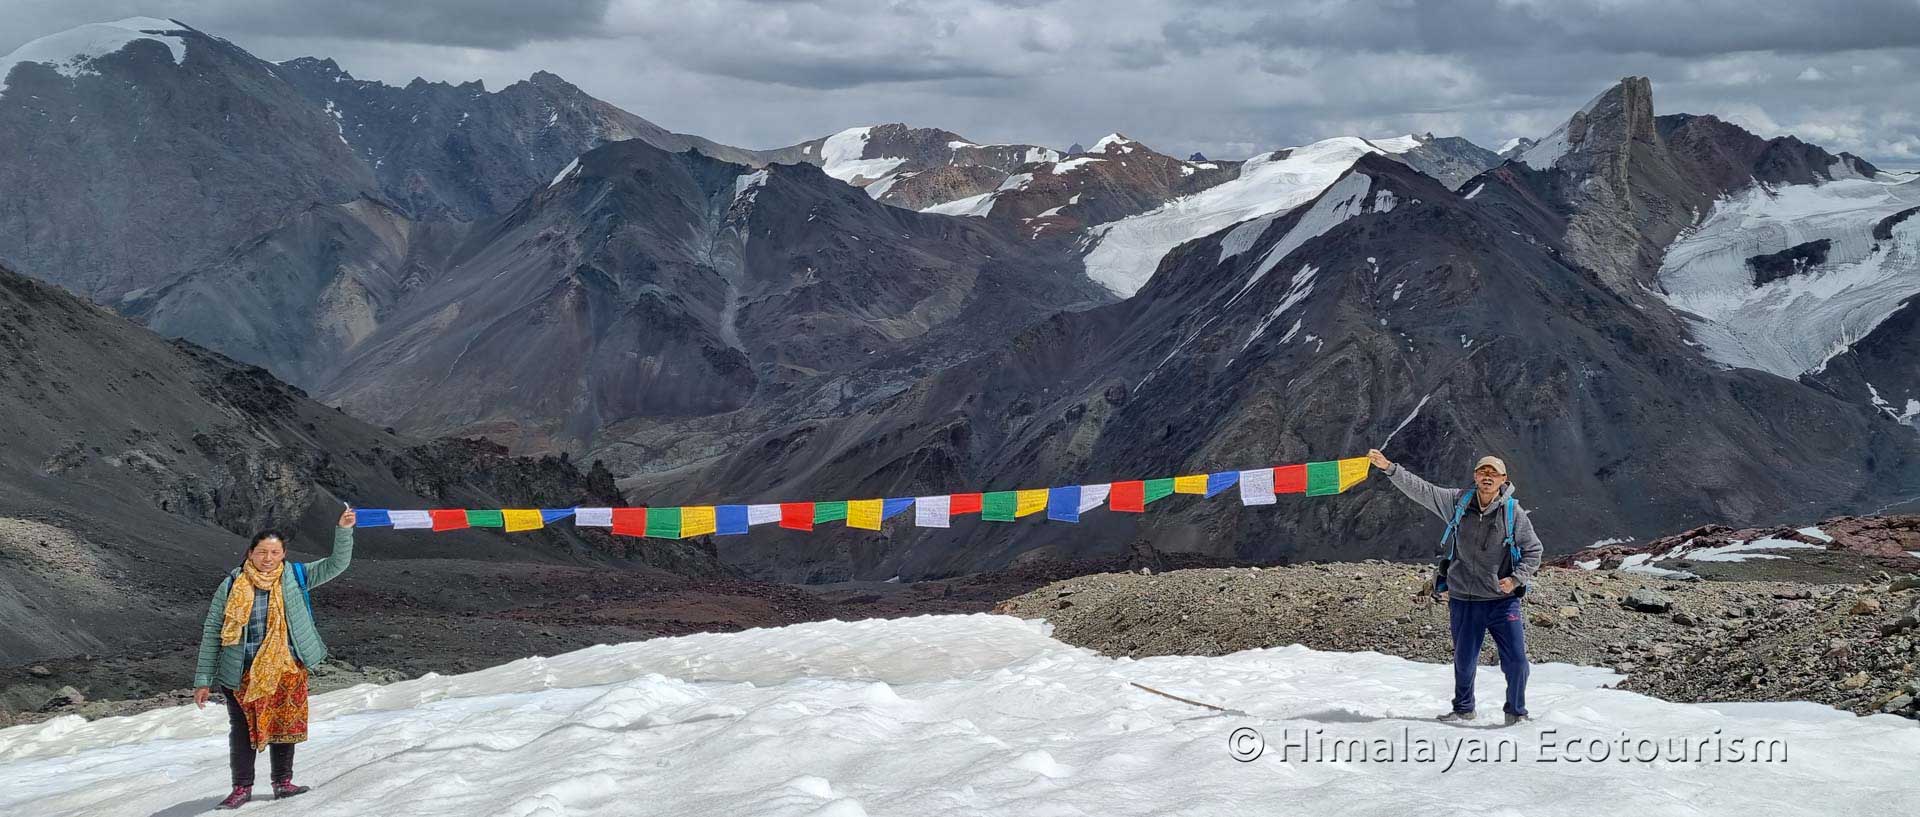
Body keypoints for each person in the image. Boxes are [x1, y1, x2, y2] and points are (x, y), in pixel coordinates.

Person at [193, 507, 356, 809]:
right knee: (243, 731)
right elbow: (213, 630)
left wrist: (344, 530)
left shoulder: (296, 576)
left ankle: (283, 782)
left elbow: (337, 564)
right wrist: (203, 679)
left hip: (286, 668)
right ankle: (242, 788)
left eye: (275, 552)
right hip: (242, 672)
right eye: (262, 552)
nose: (268, 558)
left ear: (283, 554)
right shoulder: (231, 585)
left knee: (285, 725)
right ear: (250, 553)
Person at [1368, 449, 1543, 726]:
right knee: (1464, 661)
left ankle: (1516, 713)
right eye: (1483, 472)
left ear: (1503, 479)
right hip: (1464, 598)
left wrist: (1516, 579)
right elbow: (1421, 490)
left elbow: (1533, 549)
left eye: (1493, 473)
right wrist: (1389, 468)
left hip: (1501, 600)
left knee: (1517, 661)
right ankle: (1463, 709)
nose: (1487, 477)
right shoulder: (1456, 502)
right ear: (1475, 476)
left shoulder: (1513, 513)